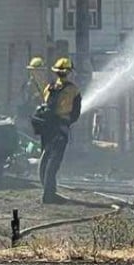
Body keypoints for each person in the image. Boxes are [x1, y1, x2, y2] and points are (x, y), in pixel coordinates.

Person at [38, 57, 81, 205]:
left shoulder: (48, 87)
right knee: (54, 161)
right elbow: (76, 113)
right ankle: (49, 195)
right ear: (69, 72)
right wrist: (68, 121)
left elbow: (44, 104)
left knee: (45, 158)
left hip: (47, 128)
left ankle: (47, 190)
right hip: (60, 128)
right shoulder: (73, 90)